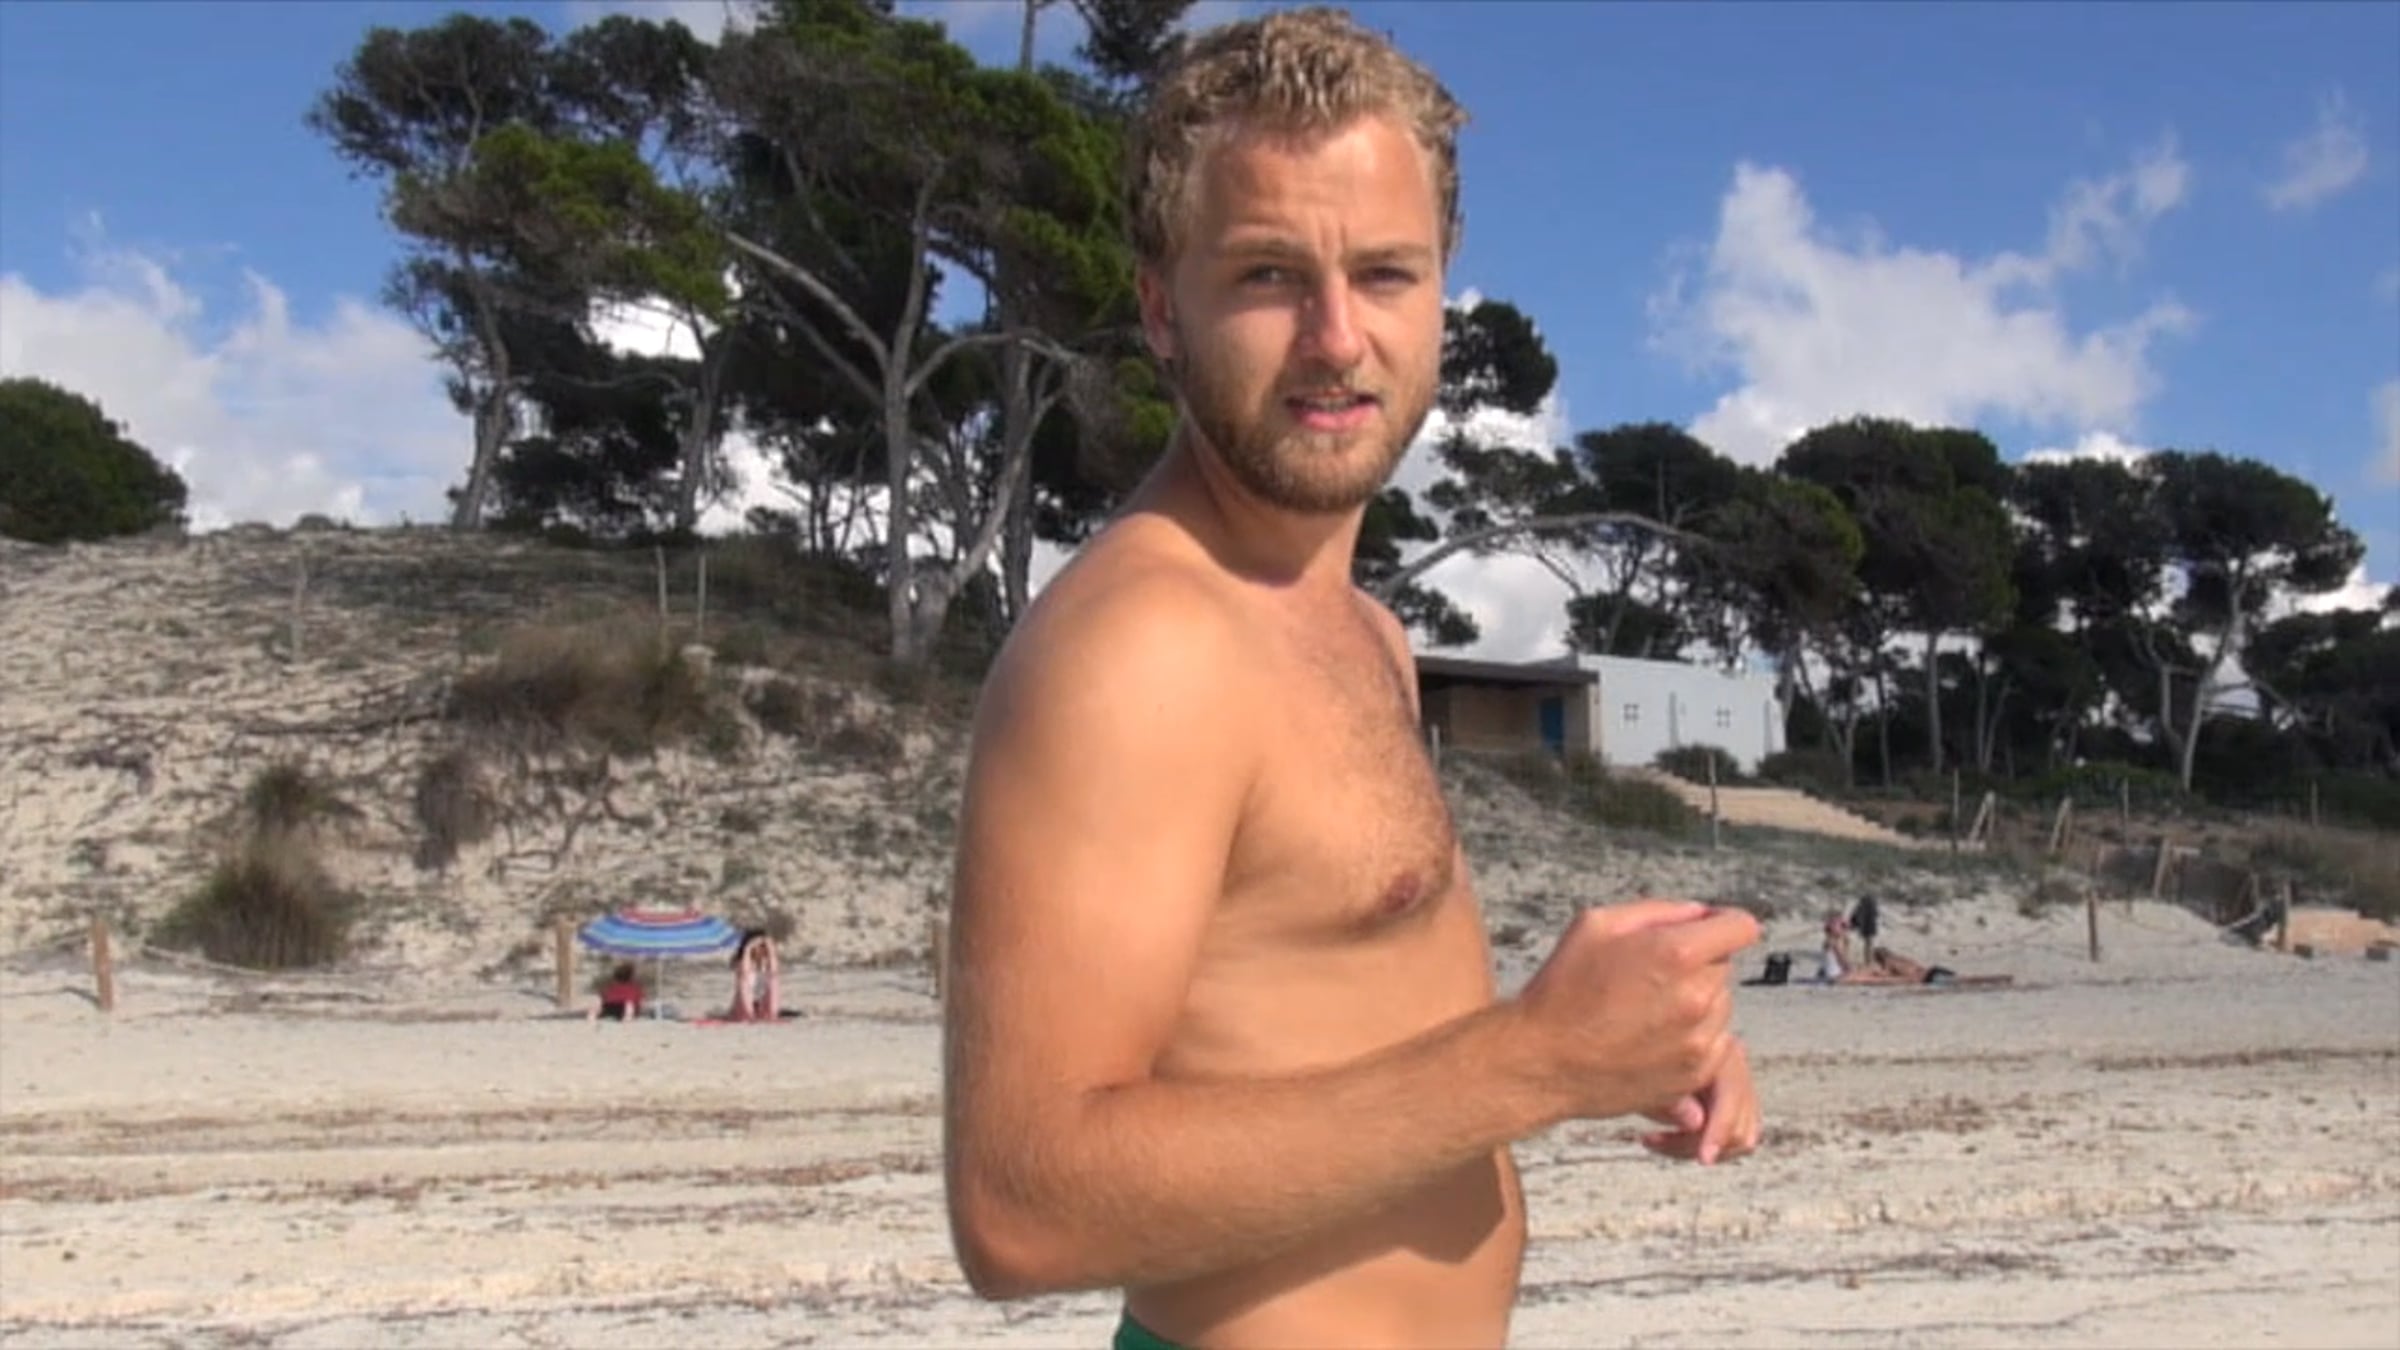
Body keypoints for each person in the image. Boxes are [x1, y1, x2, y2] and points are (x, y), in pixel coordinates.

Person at [940, 10, 1761, 1348]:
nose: (1336, 337)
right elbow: (1021, 1206)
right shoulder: (1140, 646)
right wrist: (1537, 1059)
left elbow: (1336, 1029)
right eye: (1269, 275)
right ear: (1162, 307)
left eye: (1384, 273)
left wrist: (1623, 1046)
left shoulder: (1361, 628)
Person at [728, 928, 781, 1022]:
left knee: (773, 979)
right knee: (744, 980)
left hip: (762, 1002)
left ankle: (770, 1013)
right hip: (744, 1003)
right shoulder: (742, 962)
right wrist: (748, 948)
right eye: (760, 946)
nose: (762, 949)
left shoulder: (767, 962)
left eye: (763, 946)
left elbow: (774, 973)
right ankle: (749, 1014)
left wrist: (771, 951)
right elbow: (744, 974)